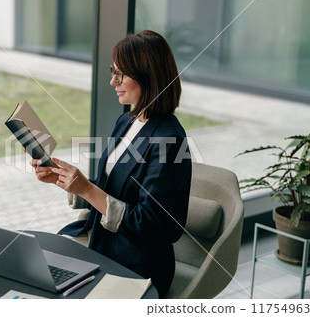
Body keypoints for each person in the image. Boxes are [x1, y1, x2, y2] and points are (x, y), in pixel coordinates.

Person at [31, 30, 191, 298]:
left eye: (121, 74)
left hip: (138, 264)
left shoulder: (170, 140)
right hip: (102, 244)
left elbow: (148, 223)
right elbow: (113, 190)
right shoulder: (128, 121)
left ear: (147, 75)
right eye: (112, 71)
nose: (112, 81)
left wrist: (85, 189)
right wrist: (67, 180)